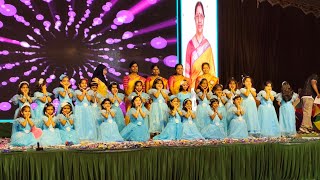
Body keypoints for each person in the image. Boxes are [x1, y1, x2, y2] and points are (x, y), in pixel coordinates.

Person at [185, 1, 216, 89]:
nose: (199, 20)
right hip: (193, 86)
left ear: (204, 18)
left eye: (201, 16)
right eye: (197, 16)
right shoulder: (190, 44)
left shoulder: (207, 45)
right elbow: (187, 71)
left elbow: (212, 71)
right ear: (194, 18)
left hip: (208, 86)